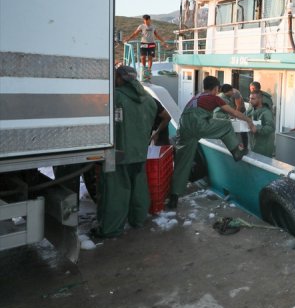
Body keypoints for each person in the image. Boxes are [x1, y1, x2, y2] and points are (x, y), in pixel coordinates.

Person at [168, 76, 256, 209]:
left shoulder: (196, 97)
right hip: (198, 124)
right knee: (226, 125)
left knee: (182, 163)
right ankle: (236, 152)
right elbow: (233, 112)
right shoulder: (214, 98)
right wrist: (249, 121)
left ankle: (173, 197)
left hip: (183, 126)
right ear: (216, 88)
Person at [93, 65, 157, 238]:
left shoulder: (114, 98)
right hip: (140, 153)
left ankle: (111, 229)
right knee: (139, 188)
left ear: (121, 78)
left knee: (115, 192)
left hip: (117, 153)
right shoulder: (149, 100)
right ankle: (138, 220)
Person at [248, 91, 276, 156]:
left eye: (253, 99)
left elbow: (271, 128)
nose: (250, 101)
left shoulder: (267, 112)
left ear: (260, 99)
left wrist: (257, 128)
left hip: (264, 148)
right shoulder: (251, 110)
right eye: (250, 98)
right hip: (254, 146)